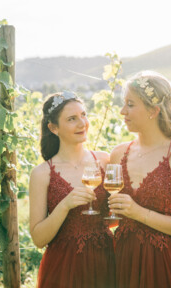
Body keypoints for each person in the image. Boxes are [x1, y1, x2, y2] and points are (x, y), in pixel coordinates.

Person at [108, 71, 171, 288]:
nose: (123, 111)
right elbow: (113, 218)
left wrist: (139, 213)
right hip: (123, 261)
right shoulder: (118, 154)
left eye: (130, 104)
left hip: (168, 266)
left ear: (154, 110)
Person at [29, 91, 115, 288]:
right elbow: (39, 239)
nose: (82, 123)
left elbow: (113, 218)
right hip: (64, 267)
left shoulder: (104, 161)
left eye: (83, 115)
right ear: (53, 128)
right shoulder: (42, 174)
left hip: (107, 259)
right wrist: (65, 205)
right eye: (72, 119)